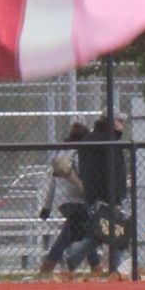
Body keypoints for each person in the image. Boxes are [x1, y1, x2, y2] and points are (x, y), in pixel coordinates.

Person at [67, 114, 129, 272]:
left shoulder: (91, 139)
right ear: (111, 122)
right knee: (116, 232)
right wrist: (114, 199)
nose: (122, 124)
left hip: (93, 194)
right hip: (106, 196)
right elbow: (112, 173)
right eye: (119, 121)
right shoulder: (108, 142)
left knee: (103, 233)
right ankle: (76, 257)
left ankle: (76, 258)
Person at [37, 122, 90, 274]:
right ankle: (48, 267)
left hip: (63, 203)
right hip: (78, 201)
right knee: (78, 234)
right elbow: (83, 181)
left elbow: (50, 182)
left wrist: (46, 207)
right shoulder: (80, 155)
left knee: (80, 231)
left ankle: (95, 266)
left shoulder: (60, 155)